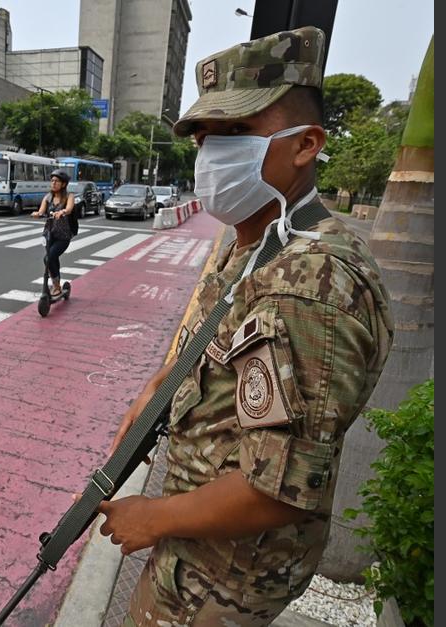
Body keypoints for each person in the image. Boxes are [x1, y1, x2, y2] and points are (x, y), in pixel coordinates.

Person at [94, 27, 393, 626]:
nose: (211, 155)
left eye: (235, 133)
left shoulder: (312, 286)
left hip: (226, 572)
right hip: (197, 534)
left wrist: (152, 517)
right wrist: (150, 401)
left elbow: (278, 489)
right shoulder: (258, 241)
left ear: (306, 144)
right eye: (206, 137)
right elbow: (205, 351)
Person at [30, 168, 75, 297]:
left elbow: (69, 209)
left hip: (63, 236)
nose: (54, 183)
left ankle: (56, 286)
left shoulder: (68, 196)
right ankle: (57, 284)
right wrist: (37, 214)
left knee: (48, 258)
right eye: (52, 181)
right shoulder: (48, 197)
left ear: (64, 184)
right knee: (52, 259)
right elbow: (41, 210)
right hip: (49, 235)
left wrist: (62, 212)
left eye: (57, 181)